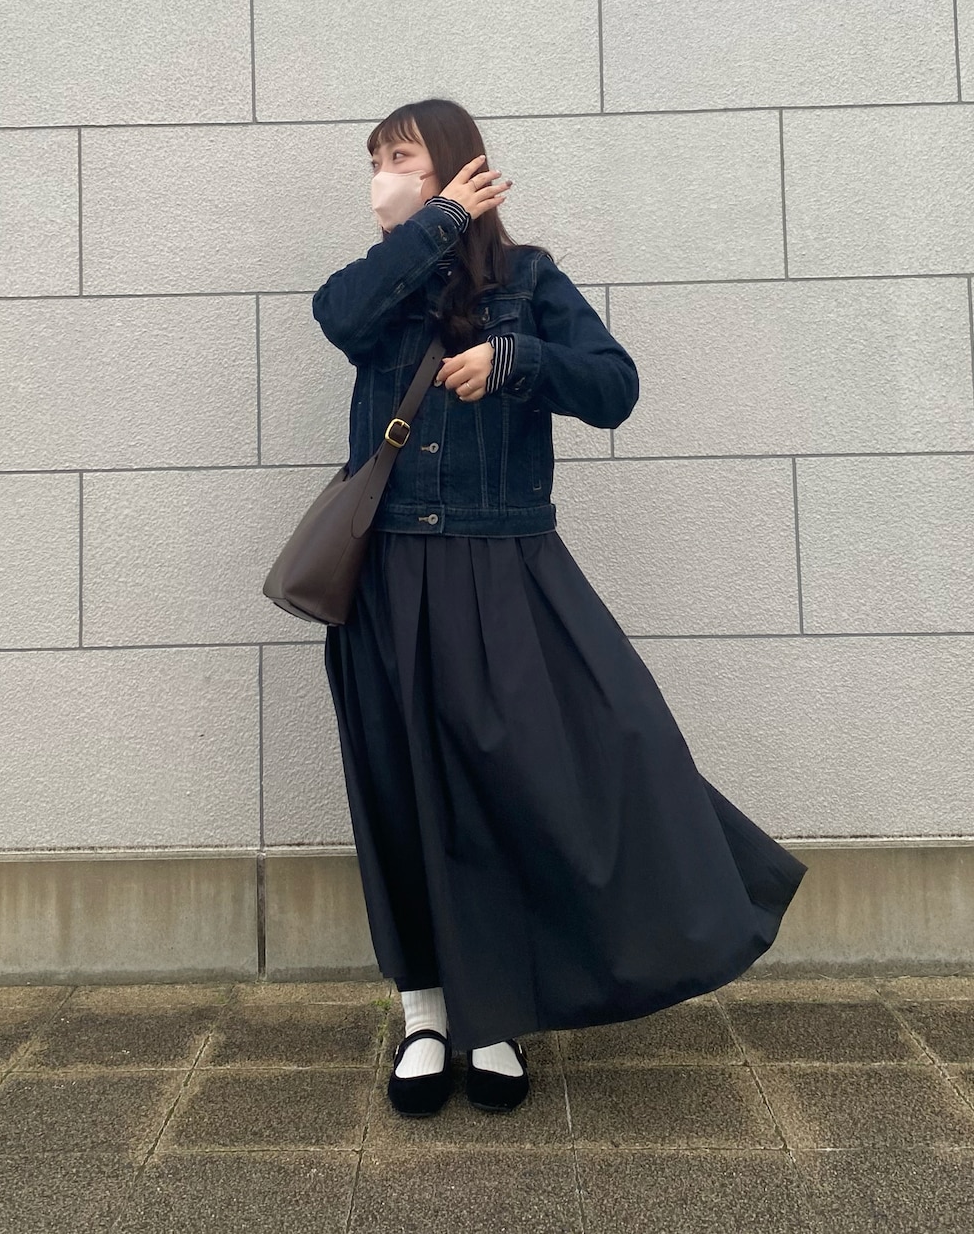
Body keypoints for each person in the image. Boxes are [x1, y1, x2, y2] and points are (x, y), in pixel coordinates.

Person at [312, 97, 807, 1119]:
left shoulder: (529, 280)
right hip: (389, 574)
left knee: (535, 776)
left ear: (454, 164)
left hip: (503, 566)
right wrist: (434, 225)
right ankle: (425, 1015)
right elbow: (339, 318)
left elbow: (615, 388)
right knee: (400, 791)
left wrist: (517, 362)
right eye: (374, 161)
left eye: (399, 157)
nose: (379, 177)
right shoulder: (379, 284)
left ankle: (494, 1014)